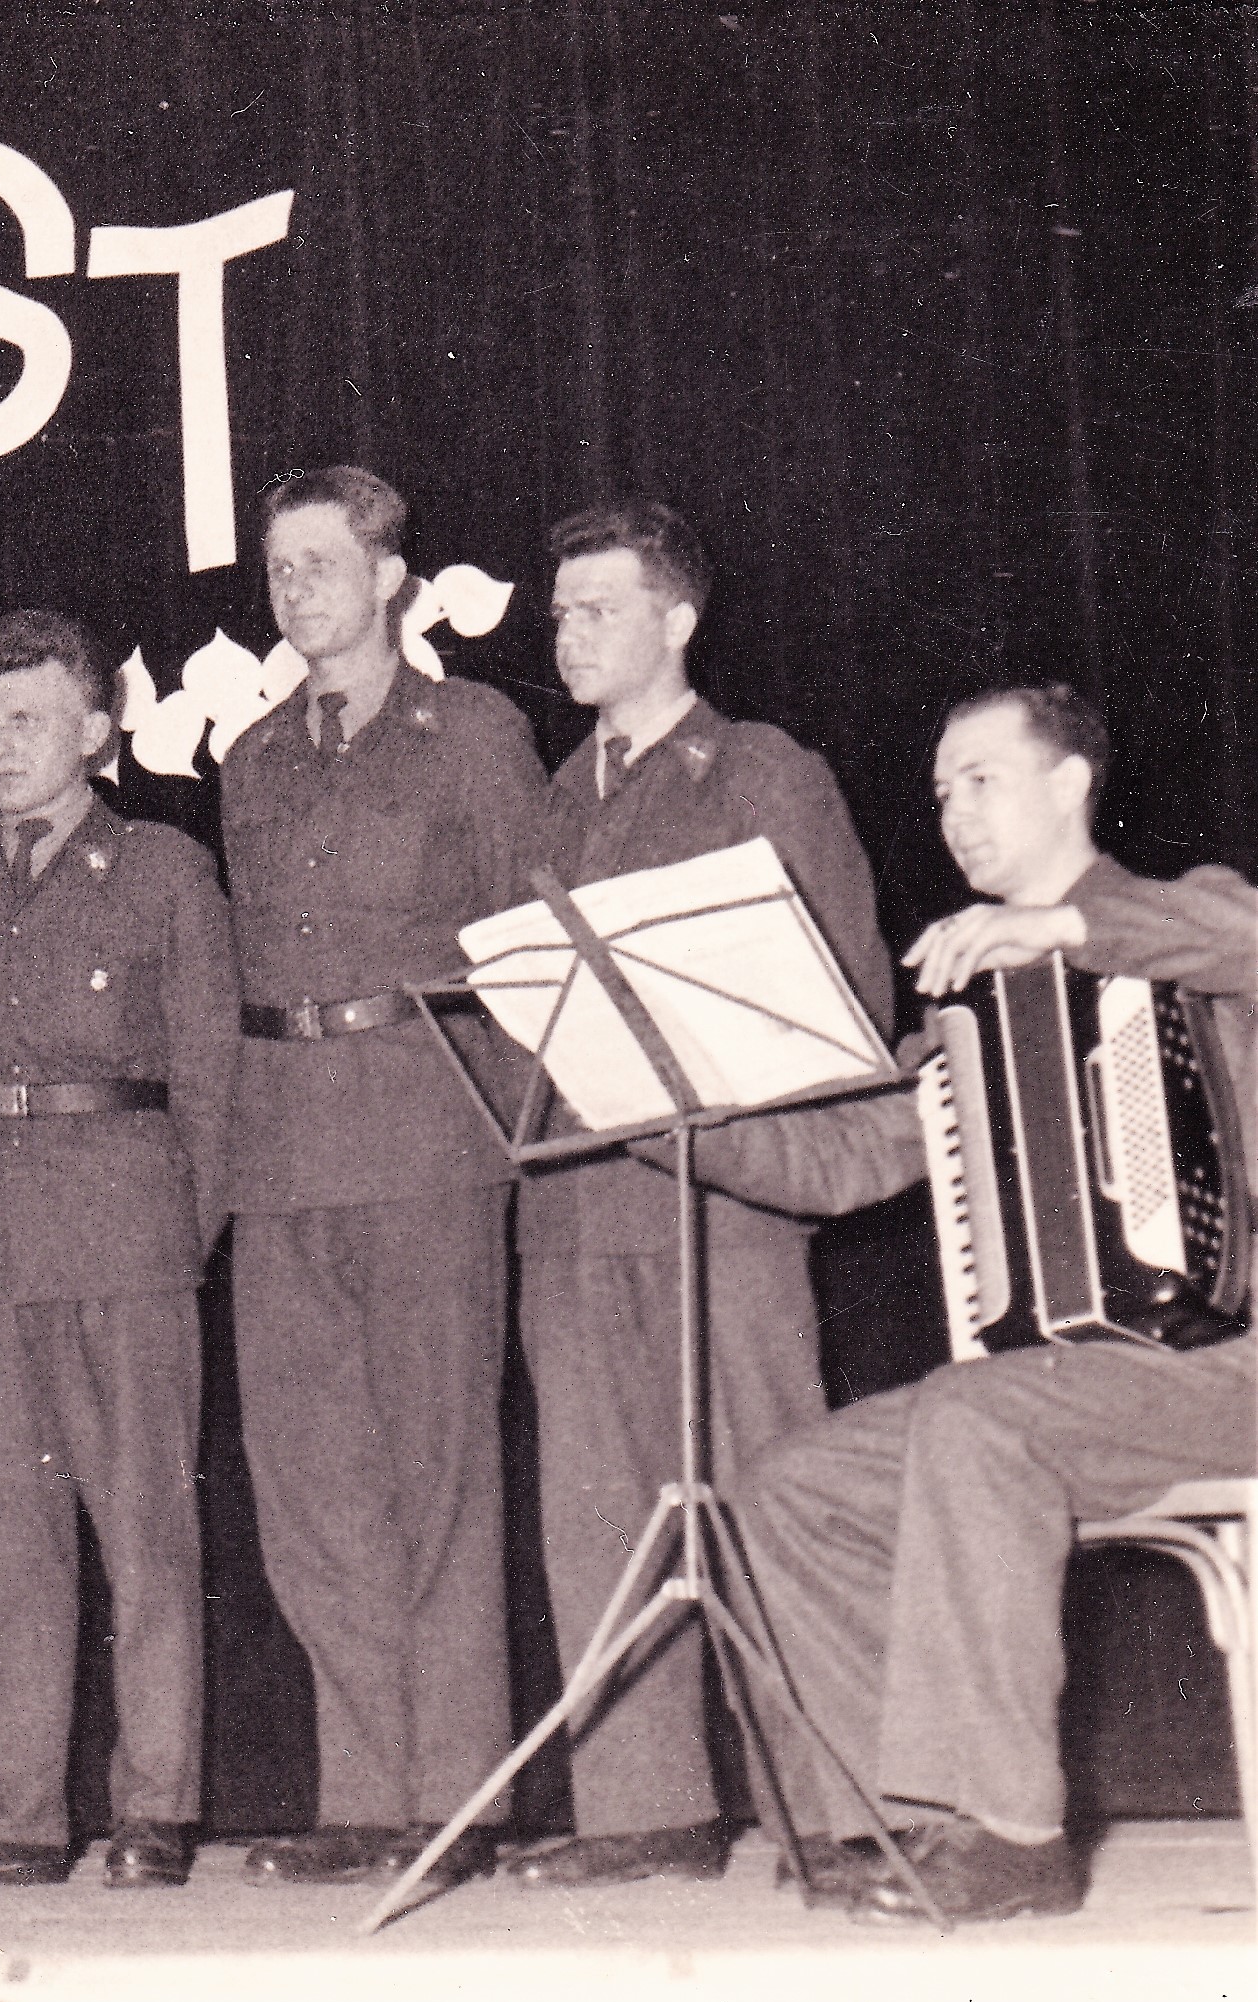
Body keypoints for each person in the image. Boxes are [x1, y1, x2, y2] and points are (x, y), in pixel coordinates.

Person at [733, 683, 1255, 1924]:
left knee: (976, 1414)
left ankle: (1013, 1834)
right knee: (796, 1483)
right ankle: (898, 1821)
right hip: (1084, 1387)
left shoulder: (1183, 914)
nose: (953, 813)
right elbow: (845, 1160)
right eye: (937, 793)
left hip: (1226, 1360)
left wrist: (1062, 928)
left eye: (980, 780)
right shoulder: (965, 996)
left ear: (1069, 784)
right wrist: (662, 1113)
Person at [506, 501, 894, 1887]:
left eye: (597, 608)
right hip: (576, 1201)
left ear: (675, 620)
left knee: (764, 1492)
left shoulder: (760, 769)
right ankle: (643, 1810)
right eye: (560, 611)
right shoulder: (555, 792)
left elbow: (849, 992)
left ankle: (833, 1809)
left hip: (726, 1197)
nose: (568, 634)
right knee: (594, 1509)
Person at [218, 468, 545, 1886]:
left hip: (424, 1131)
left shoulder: (470, 734)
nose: (295, 589)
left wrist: (505, 1131)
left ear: (389, 576)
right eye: (278, 567)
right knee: (309, 1485)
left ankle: (457, 1794)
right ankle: (362, 1793)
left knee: (436, 1474)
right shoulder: (250, 757)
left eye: (319, 561)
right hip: (283, 1144)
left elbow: (528, 943)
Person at [0, 610, 237, 1892]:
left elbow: (208, 1079)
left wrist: (170, 1236)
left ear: (94, 729)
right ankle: (9, 1814)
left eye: (27, 719)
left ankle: (155, 1806)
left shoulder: (161, 869)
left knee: (144, 1534)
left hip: (121, 1232)